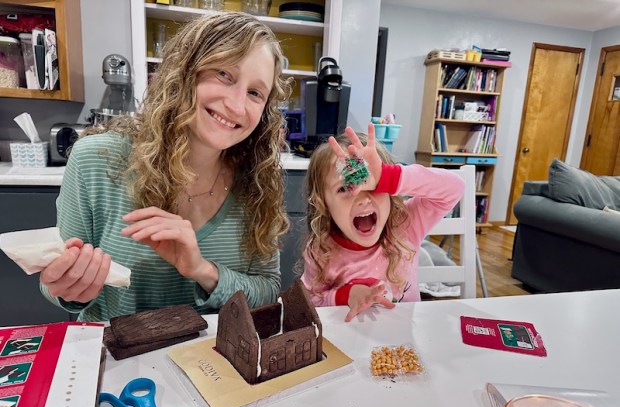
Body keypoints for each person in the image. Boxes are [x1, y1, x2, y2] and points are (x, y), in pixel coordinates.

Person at [39, 12, 292, 322]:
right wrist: (70, 288)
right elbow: (57, 285)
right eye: (224, 74)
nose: (238, 106)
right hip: (118, 361)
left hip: (212, 362)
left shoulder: (259, 180)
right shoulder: (96, 160)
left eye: (255, 93)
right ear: (184, 72)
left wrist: (202, 270)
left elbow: (268, 290)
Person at [301, 124, 465, 322]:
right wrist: (346, 295)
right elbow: (311, 302)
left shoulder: (404, 224)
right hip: (350, 342)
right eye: (345, 189)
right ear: (324, 205)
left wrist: (388, 176)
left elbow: (455, 188)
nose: (362, 198)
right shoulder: (320, 251)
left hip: (406, 340)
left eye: (373, 185)